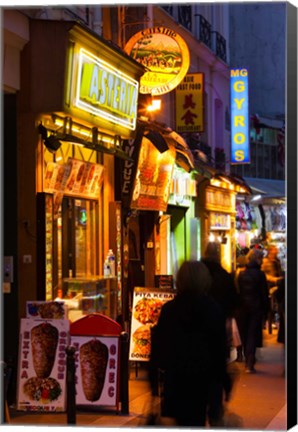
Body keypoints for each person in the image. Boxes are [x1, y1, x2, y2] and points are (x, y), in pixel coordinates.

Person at [149, 260, 227, 427]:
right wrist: (223, 383)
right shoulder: (213, 310)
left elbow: (159, 346)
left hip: (176, 379)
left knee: (179, 421)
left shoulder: (169, 310)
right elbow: (220, 351)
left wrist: (153, 381)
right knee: (196, 421)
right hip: (203, 381)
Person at [237, 248, 269, 373]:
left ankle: (247, 360)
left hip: (242, 308)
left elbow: (238, 292)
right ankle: (250, 361)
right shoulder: (260, 275)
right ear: (257, 259)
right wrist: (266, 311)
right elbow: (263, 294)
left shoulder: (241, 274)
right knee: (252, 334)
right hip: (255, 308)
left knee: (244, 333)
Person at [261, 245, 284, 332]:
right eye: (275, 250)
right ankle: (268, 320)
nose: (276, 252)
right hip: (269, 285)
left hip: (277, 284)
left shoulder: (276, 261)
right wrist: (274, 279)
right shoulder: (265, 261)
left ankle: (275, 318)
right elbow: (263, 275)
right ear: (270, 251)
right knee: (270, 305)